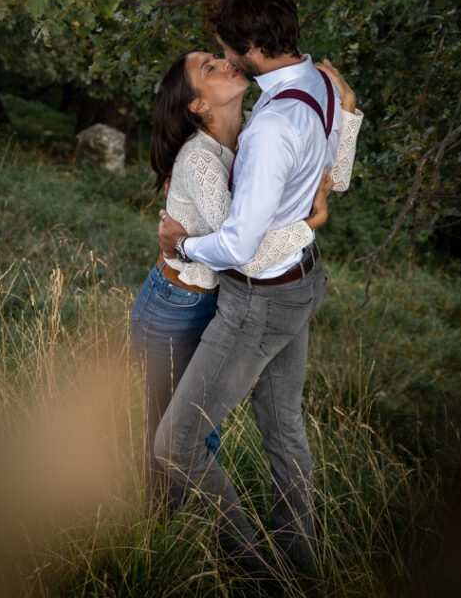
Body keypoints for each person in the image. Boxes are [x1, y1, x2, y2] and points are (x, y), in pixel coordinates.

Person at [155, 0, 361, 573]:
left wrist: (182, 241)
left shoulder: (269, 129)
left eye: (223, 46)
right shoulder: (319, 81)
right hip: (302, 279)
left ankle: (260, 576)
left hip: (263, 297)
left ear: (248, 47)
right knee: (283, 427)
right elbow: (334, 179)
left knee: (177, 446)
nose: (219, 54)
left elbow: (242, 248)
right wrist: (313, 214)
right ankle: (300, 568)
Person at [131, 50, 353, 504]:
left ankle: (198, 548)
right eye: (208, 68)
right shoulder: (199, 160)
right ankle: (156, 548)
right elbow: (244, 256)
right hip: (177, 304)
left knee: (196, 438)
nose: (225, 62)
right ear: (198, 105)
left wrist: (345, 110)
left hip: (228, 299)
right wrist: (309, 225)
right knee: (170, 441)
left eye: (218, 57)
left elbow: (337, 178)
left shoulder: (260, 125)